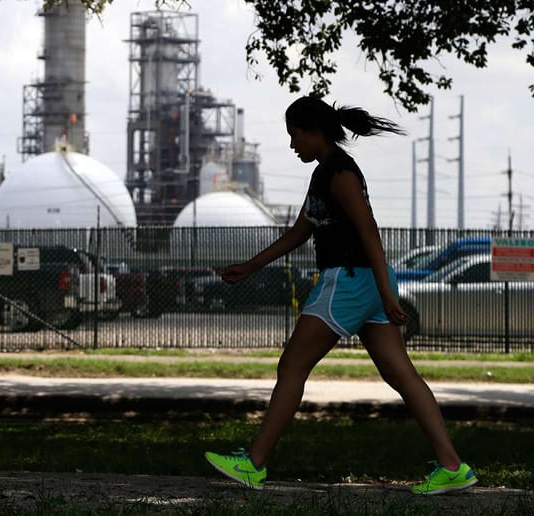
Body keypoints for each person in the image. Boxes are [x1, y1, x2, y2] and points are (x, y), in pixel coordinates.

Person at [204, 96, 477, 495]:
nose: (293, 144)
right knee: (402, 375)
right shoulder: (323, 174)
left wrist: (387, 294)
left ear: (313, 131)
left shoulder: (340, 172)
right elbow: (300, 232)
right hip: (363, 285)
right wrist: (251, 266)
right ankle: (453, 466)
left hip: (347, 283)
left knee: (292, 366)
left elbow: (370, 231)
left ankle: (254, 464)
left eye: (294, 136)